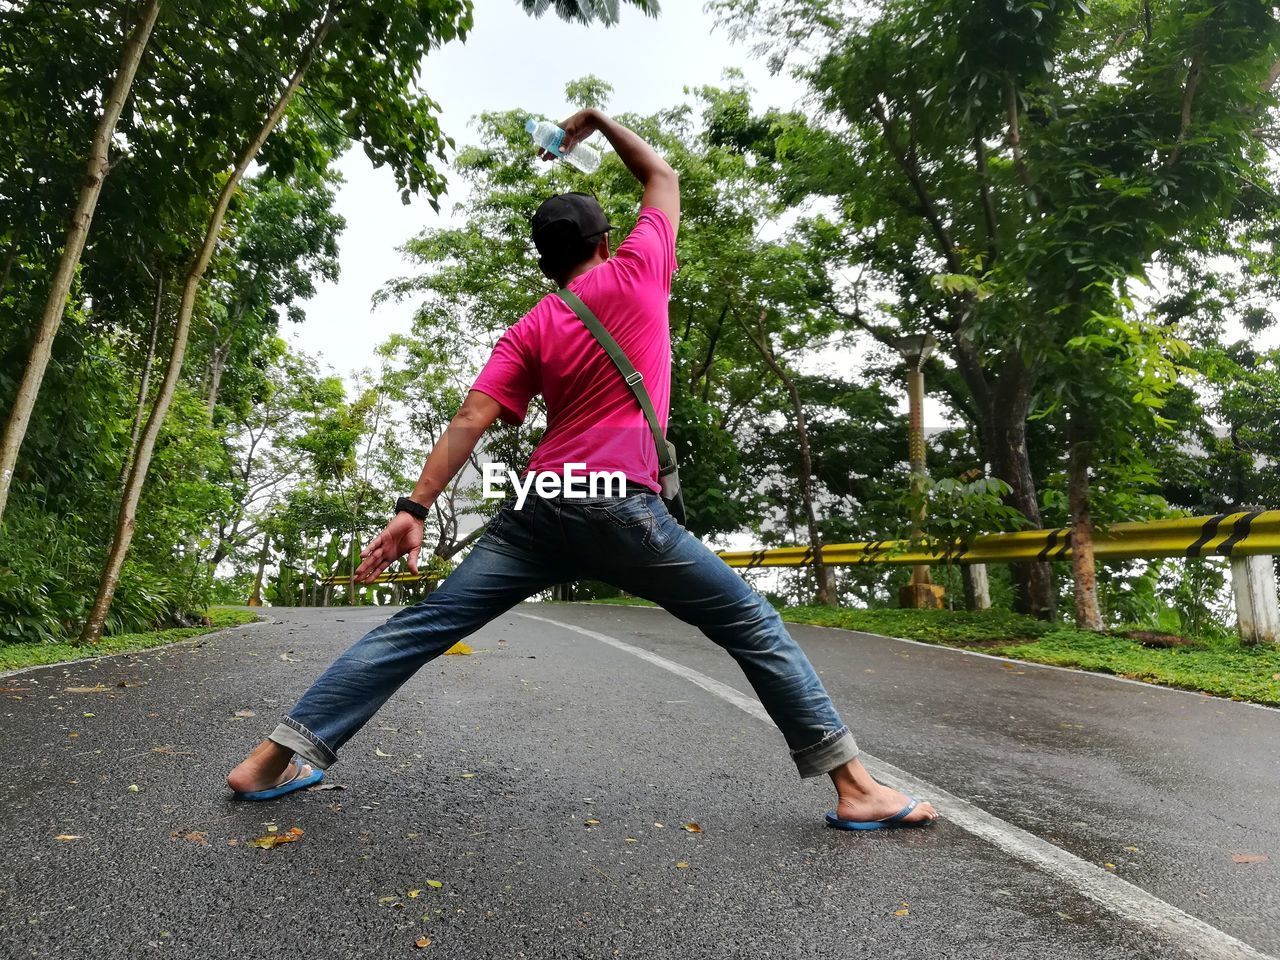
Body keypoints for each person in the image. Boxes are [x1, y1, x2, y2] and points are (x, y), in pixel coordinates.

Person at [227, 109, 939, 829]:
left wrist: (412, 509)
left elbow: (470, 420)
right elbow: (661, 174)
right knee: (752, 625)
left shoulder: (532, 325)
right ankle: (854, 786)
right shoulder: (640, 270)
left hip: (541, 507)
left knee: (419, 628)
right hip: (621, 504)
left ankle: (268, 760)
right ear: (605, 241)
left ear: (546, 261)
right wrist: (596, 120)